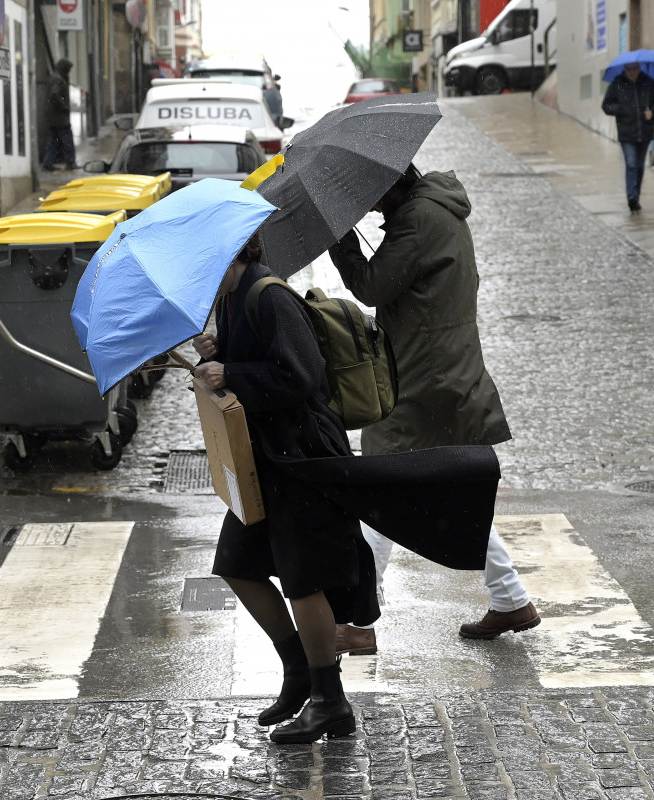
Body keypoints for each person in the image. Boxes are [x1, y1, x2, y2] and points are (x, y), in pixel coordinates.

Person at [327, 165, 539, 653]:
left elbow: (371, 287)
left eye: (372, 195)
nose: (371, 206)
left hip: (424, 377)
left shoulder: (419, 218)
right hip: (440, 369)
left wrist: (341, 240)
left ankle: (357, 620)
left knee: (380, 484)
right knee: (449, 492)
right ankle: (510, 598)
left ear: (392, 184)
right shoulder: (435, 210)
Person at [191, 233, 378, 745]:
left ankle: (330, 702)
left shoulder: (270, 295)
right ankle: (299, 671)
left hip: (301, 456)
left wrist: (231, 371)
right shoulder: (231, 297)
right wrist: (217, 351)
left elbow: (301, 375)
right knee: (238, 564)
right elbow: (259, 359)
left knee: (303, 579)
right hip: (263, 460)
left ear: (233, 251)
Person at [601, 62, 654, 212]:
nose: (632, 72)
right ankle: (632, 197)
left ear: (639, 68)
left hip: (644, 132)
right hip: (626, 133)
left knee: (639, 166)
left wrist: (653, 112)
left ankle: (636, 196)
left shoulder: (649, 83)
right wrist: (621, 109)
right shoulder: (617, 84)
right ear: (625, 69)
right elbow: (606, 106)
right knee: (631, 164)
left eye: (635, 68)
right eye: (629, 69)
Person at [41, 59, 77, 172]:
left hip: (52, 116)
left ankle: (47, 163)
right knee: (67, 140)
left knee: (53, 141)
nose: (69, 73)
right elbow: (55, 95)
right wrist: (64, 106)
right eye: (68, 70)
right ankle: (70, 162)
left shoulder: (53, 78)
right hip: (60, 117)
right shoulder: (59, 80)